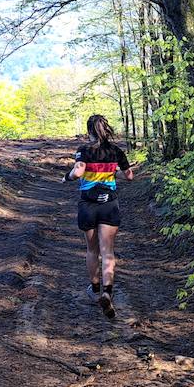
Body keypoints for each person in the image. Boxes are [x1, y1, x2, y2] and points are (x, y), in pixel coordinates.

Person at [64, 114, 134, 318]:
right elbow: (129, 176)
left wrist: (66, 177)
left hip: (89, 205)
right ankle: (108, 293)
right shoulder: (116, 150)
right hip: (109, 205)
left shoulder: (83, 150)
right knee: (108, 252)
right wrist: (113, 173)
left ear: (89, 131)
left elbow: (77, 173)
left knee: (92, 250)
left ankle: (95, 290)